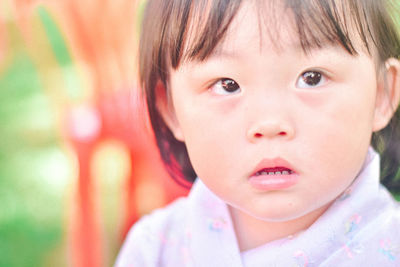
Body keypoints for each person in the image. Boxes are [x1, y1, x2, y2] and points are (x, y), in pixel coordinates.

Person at [115, 0, 400, 266]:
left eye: (312, 78)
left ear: (381, 94)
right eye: (227, 84)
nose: (270, 123)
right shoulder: (154, 252)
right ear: (171, 109)